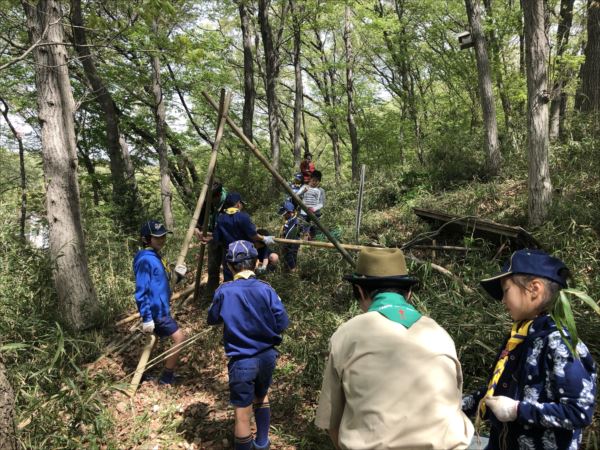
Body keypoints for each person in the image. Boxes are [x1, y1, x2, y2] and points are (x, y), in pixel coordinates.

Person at [315, 248, 474, 449]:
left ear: (360, 291)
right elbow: (454, 403)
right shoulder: (441, 334)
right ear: (408, 294)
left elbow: (331, 422)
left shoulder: (347, 335)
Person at [462, 249, 596, 450]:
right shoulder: (519, 337)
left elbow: (579, 412)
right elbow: (497, 389)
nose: (503, 301)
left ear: (534, 289)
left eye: (506, 291)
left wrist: (518, 410)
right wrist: (463, 405)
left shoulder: (561, 343)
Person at [207, 240, 289, 450]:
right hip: (267, 357)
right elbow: (282, 322)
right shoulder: (266, 289)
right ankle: (262, 442)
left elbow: (213, 318)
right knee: (261, 396)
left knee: (242, 414)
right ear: (255, 263)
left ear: (229, 266)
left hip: (242, 360)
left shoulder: (224, 291)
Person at [133, 220, 186, 385]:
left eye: (163, 236)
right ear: (146, 239)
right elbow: (141, 291)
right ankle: (166, 377)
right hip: (156, 311)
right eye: (157, 237)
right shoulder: (145, 260)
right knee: (180, 338)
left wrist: (177, 277)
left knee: (153, 342)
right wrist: (147, 317)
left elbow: (160, 283)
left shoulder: (156, 257)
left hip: (162, 308)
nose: (162, 240)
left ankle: (141, 374)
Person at [204, 192, 275, 282]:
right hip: (245, 254)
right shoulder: (243, 217)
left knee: (230, 280)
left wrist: (208, 239)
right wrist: (264, 238)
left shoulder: (221, 218)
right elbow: (253, 235)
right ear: (238, 204)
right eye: (241, 204)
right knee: (246, 278)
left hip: (229, 255)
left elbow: (217, 238)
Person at [194, 181, 228, 298]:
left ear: (218, 196)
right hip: (212, 237)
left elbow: (232, 228)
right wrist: (197, 230)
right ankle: (211, 295)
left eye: (211, 200)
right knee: (213, 268)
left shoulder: (229, 202)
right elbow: (198, 221)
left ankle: (228, 295)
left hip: (227, 239)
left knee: (228, 267)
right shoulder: (205, 201)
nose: (209, 203)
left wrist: (215, 236)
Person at [296, 170, 325, 238]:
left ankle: (312, 245)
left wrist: (314, 209)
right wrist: (303, 191)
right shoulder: (305, 187)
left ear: (319, 181)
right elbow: (296, 195)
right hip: (303, 213)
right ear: (310, 179)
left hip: (315, 214)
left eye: (316, 181)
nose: (314, 182)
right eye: (313, 180)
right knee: (302, 231)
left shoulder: (321, 190)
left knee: (314, 232)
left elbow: (321, 203)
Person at [278, 201, 300, 271]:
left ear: (290, 212)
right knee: (287, 258)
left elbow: (289, 234)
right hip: (287, 243)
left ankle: (293, 272)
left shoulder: (295, 221)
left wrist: (284, 243)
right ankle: (288, 270)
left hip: (291, 244)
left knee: (291, 257)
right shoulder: (289, 220)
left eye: (285, 214)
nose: (284, 216)